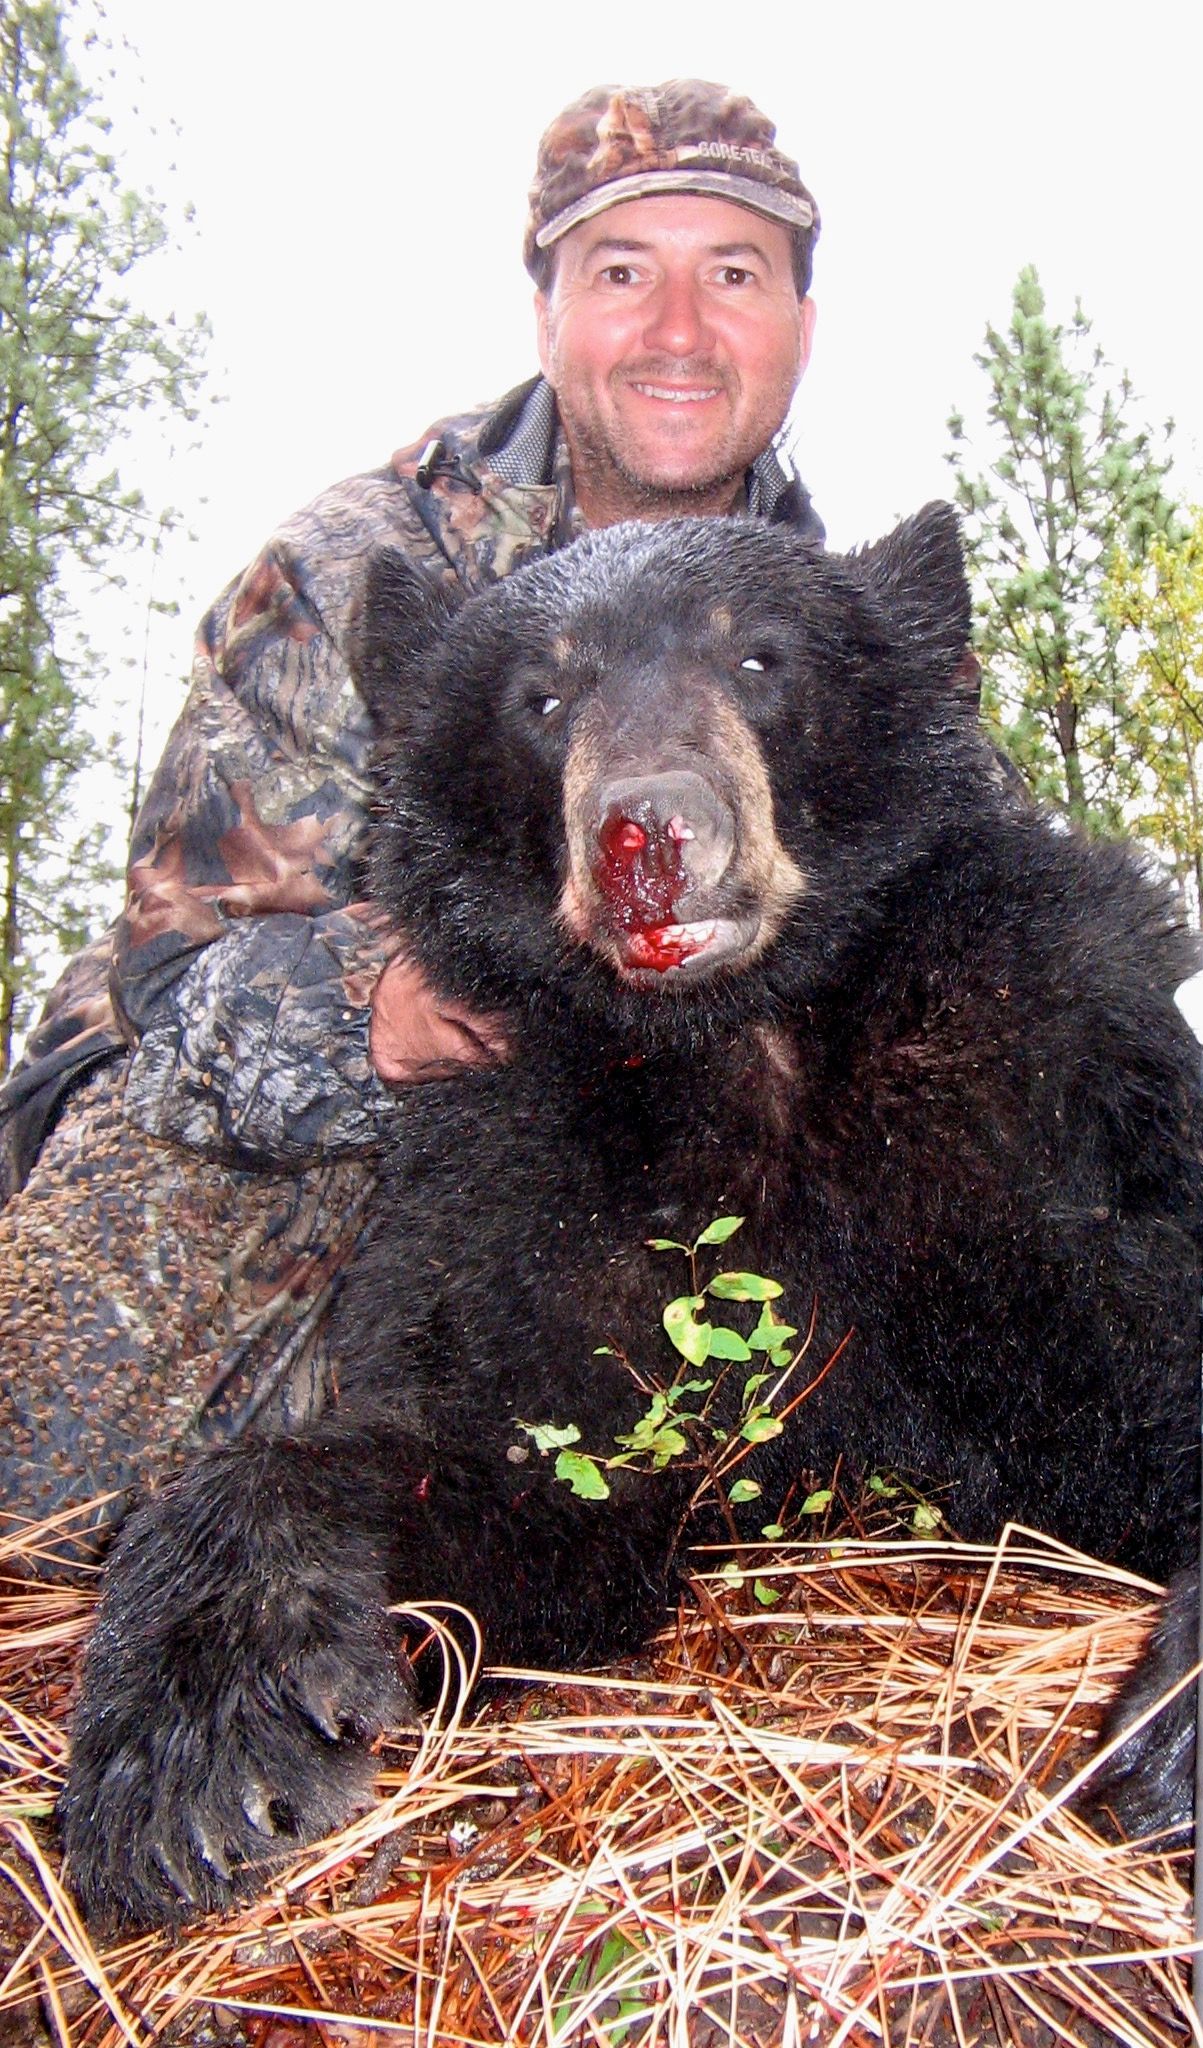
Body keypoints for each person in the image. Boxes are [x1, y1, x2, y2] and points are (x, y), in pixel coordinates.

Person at [0, 79, 821, 1564]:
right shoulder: (361, 571)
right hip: (335, 1133)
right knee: (167, 1190)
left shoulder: (847, 638)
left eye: (734, 273)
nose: (680, 330)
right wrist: (387, 1006)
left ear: (801, 324)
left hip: (625, 1173)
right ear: (546, 315)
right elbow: (171, 983)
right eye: (621, 273)